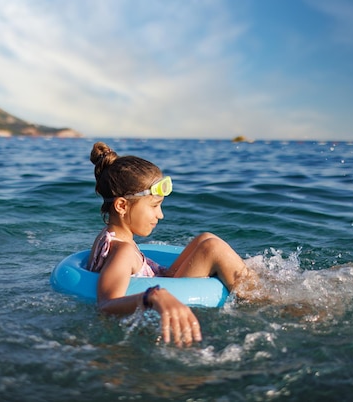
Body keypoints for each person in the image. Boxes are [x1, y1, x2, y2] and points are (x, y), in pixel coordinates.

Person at [88, 141, 252, 346]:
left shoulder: (108, 237)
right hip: (156, 304)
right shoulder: (123, 251)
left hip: (163, 278)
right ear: (121, 205)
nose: (161, 215)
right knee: (213, 248)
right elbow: (106, 303)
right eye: (155, 205)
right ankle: (261, 299)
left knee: (205, 239)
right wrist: (153, 297)